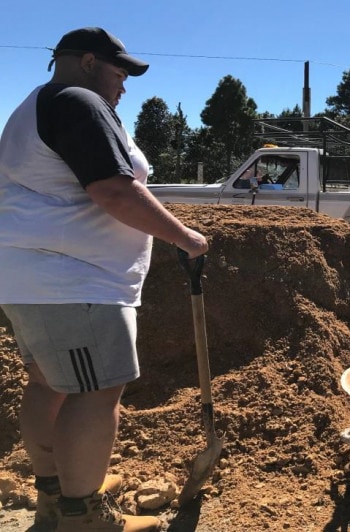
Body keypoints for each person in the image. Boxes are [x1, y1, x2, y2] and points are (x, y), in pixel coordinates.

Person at [0, 27, 208, 532]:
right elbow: (114, 191)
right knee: (97, 393)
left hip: (37, 277)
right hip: (73, 282)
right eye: (120, 73)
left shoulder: (41, 103)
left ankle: (58, 492)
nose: (124, 85)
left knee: (49, 384)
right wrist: (186, 237)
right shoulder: (78, 101)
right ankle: (83, 514)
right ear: (89, 62)